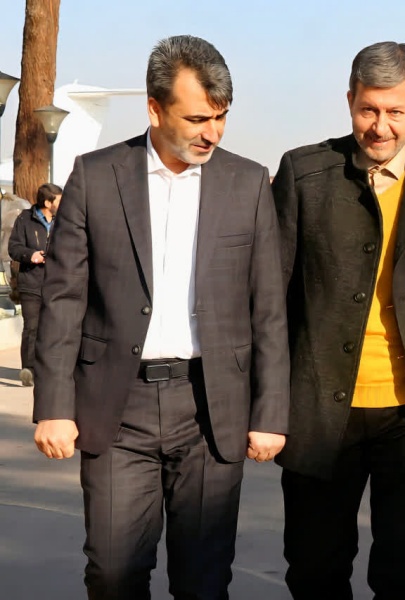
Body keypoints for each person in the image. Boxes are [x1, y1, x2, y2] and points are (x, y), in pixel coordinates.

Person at [32, 35, 289, 599]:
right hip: (117, 407)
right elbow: (64, 299)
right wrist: (53, 406)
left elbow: (268, 306)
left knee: (203, 580)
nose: (212, 133)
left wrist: (270, 412)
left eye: (221, 117)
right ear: (154, 108)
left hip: (211, 409)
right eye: (197, 118)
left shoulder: (247, 182)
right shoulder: (97, 175)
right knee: (113, 573)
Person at [272, 41, 405, 599]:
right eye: (368, 109)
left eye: (395, 111)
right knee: (314, 570)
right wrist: (267, 408)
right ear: (349, 100)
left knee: (403, 574)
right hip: (319, 411)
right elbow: (272, 301)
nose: (380, 127)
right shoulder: (304, 174)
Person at [7, 182, 62, 386]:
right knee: (32, 327)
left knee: (54, 328)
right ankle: (29, 370)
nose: (63, 204)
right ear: (47, 203)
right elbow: (13, 248)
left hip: (56, 283)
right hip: (31, 282)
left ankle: (48, 369)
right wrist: (31, 255)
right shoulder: (24, 219)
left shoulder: (63, 221)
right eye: (59, 201)